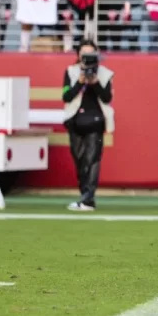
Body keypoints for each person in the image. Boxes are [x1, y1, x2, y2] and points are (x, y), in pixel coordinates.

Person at [62, 40, 114, 211]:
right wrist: (80, 82)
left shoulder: (105, 73)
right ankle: (85, 195)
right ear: (78, 56)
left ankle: (88, 199)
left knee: (92, 161)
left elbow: (107, 97)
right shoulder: (70, 72)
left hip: (96, 121)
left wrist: (96, 83)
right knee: (80, 161)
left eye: (91, 54)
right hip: (75, 120)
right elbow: (66, 95)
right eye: (85, 55)